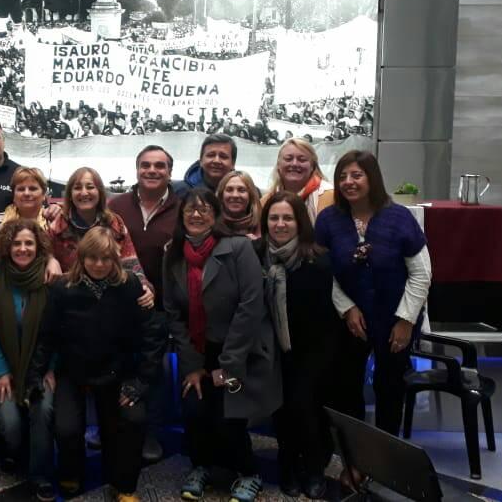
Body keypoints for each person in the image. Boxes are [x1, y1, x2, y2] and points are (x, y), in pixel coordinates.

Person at [27, 228, 164, 502]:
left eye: (106, 258)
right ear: (81, 258)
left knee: (131, 420)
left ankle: (124, 485)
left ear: (115, 258)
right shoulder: (62, 288)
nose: (99, 264)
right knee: (67, 429)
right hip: (73, 372)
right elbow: (47, 335)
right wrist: (36, 375)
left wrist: (140, 382)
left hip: (117, 373)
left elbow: (153, 334)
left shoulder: (130, 285)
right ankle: (71, 472)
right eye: (92, 258)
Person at [163, 188, 280, 502]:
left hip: (237, 353)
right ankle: (201, 466)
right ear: (181, 215)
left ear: (215, 215)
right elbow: (172, 312)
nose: (196, 214)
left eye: (204, 209)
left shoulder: (239, 248)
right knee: (195, 410)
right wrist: (192, 365)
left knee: (229, 415)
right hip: (197, 352)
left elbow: (251, 305)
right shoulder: (173, 253)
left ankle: (248, 472)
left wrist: (228, 365)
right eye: (190, 209)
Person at [315, 151, 431, 445]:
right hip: (349, 321)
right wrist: (347, 308)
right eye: (342, 176)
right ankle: (352, 454)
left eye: (357, 175)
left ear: (372, 179)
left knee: (389, 387)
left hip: (394, 319)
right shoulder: (329, 219)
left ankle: (385, 453)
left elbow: (421, 274)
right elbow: (323, 271)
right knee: (346, 386)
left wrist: (405, 321)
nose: (349, 182)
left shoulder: (399, 218)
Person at [261, 192, 339, 499]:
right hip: (273, 350)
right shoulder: (258, 254)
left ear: (300, 222)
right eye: (274, 218)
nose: (280, 224)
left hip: (312, 351)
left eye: (287, 218)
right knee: (281, 411)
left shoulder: (318, 260)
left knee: (305, 407)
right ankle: (288, 464)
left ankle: (314, 468)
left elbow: (327, 317)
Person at [108, 145, 180, 461]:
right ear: (137, 169)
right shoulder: (116, 205)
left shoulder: (182, 208)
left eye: (159, 166)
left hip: (162, 306)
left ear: (170, 172)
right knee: (115, 364)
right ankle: (110, 425)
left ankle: (151, 432)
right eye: (146, 165)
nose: (152, 170)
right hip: (119, 303)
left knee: (156, 369)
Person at [0, 220, 56, 501]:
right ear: (7, 248)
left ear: (39, 247)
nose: (23, 249)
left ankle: (39, 474)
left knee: (42, 410)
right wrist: (0, 372)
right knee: (10, 423)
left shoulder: (50, 280)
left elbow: (58, 330)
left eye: (29, 243)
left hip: (41, 365)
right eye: (17, 243)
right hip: (3, 363)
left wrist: (51, 369)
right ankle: (17, 453)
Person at [47, 167, 153, 302]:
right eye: (77, 188)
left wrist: (144, 286)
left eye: (90, 187)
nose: (84, 193)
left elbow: (130, 262)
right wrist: (50, 259)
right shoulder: (58, 226)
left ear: (100, 192)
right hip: (71, 302)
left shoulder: (115, 224)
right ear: (70, 195)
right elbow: (42, 251)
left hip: (111, 300)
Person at [263, 138, 333, 224]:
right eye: (288, 159)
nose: (294, 164)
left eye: (302, 160)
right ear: (278, 165)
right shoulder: (266, 201)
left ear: (312, 166)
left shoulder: (329, 195)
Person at [0, 167, 50, 233]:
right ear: (14, 195)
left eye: (32, 189)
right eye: (21, 189)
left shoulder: (52, 222)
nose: (26, 193)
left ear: (44, 194)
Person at [217, 171, 262, 240]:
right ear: (221, 195)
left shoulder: (264, 225)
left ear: (251, 196)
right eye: (229, 190)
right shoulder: (210, 225)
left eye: (242, 190)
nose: (235, 195)